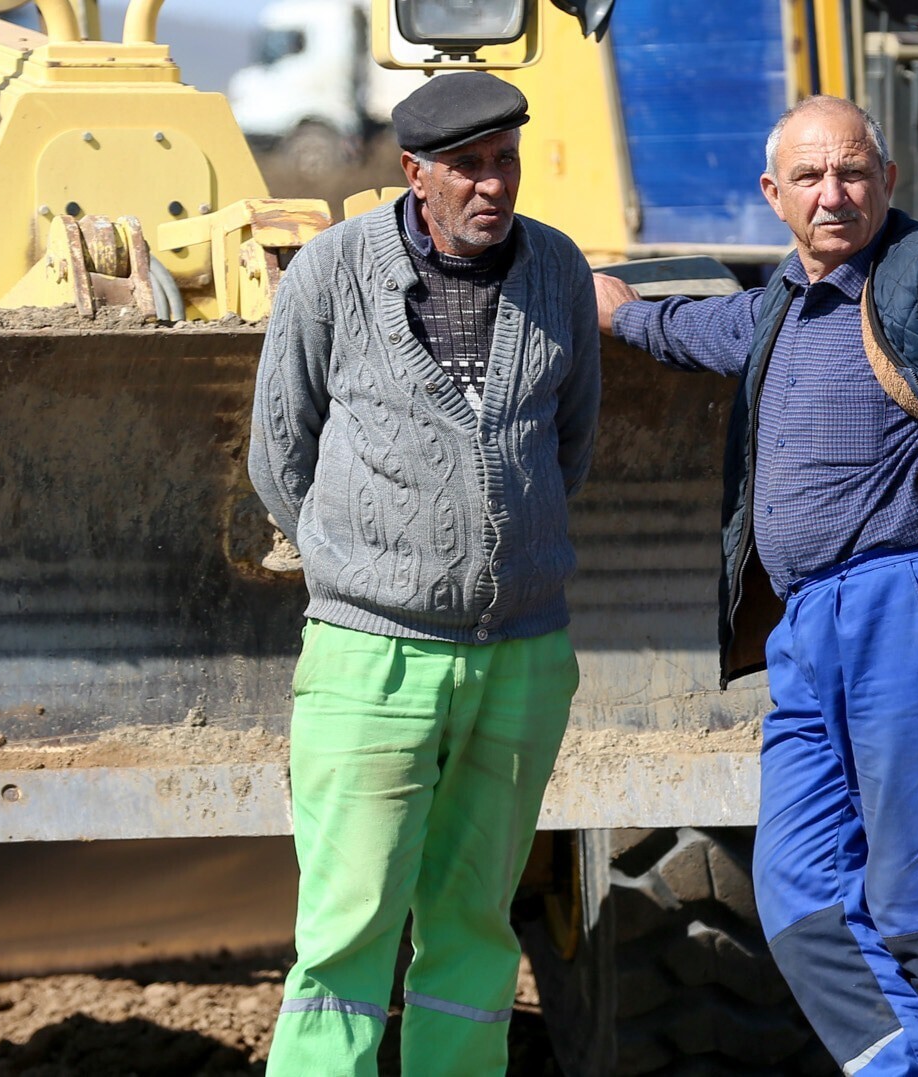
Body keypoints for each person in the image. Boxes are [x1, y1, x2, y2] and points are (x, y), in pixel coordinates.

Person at [592, 95, 918, 1076]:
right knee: (797, 896)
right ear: (772, 194)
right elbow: (702, 330)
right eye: (810, 176)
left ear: (886, 180)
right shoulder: (781, 307)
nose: (833, 193)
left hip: (906, 604)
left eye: (852, 171)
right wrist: (623, 313)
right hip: (803, 628)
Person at [249, 70, 600, 1076]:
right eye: (467, 166)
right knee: (348, 924)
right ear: (415, 173)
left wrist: (499, 550)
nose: (493, 184)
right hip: (372, 660)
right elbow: (279, 454)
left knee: (475, 922)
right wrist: (374, 566)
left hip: (521, 659)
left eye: (505, 162)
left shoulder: (558, 270)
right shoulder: (332, 273)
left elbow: (568, 444)